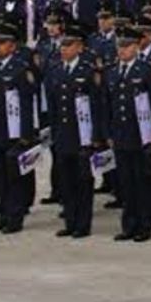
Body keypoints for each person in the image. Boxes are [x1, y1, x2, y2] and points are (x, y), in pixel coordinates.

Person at [106, 26, 151, 242]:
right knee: (126, 183)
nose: (122, 51)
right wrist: (108, 132)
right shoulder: (113, 71)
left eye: (126, 47)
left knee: (142, 182)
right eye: (119, 47)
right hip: (121, 135)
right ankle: (128, 225)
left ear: (136, 48)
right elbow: (109, 105)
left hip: (141, 134)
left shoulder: (145, 70)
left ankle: (144, 225)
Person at [45, 25, 105, 239]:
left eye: (69, 45)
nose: (64, 49)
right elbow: (53, 104)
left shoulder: (88, 71)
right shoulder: (56, 70)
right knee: (67, 182)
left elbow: (98, 106)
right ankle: (70, 221)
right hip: (63, 134)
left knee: (83, 182)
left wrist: (98, 136)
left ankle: (83, 223)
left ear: (79, 48)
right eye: (63, 45)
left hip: (84, 135)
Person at [0, 24, 36, 234]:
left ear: (12, 47)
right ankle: (4, 213)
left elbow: (26, 105)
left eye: (3, 43)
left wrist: (25, 134)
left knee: (14, 177)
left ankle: (15, 216)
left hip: (12, 131)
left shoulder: (20, 69)